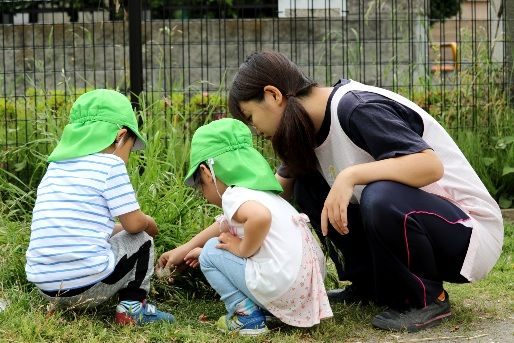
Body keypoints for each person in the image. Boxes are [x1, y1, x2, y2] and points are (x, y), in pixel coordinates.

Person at [226, 51, 504, 332]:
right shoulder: (305, 131)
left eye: (251, 116)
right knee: (307, 185)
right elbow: (271, 199)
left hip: (467, 233)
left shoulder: (356, 107)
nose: (255, 129)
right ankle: (367, 284)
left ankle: (427, 298)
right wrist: (208, 241)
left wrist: (351, 175)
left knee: (379, 195)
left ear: (273, 95)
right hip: (427, 230)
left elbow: (430, 166)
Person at [158, 118, 332, 336]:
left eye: (199, 185)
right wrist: (185, 249)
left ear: (205, 172)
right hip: (307, 288)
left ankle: (246, 316)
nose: (202, 194)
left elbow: (259, 218)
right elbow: (224, 225)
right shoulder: (259, 194)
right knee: (214, 248)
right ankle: (272, 310)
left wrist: (240, 249)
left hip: (284, 286)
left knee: (213, 249)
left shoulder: (234, 195)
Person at [25, 89, 175, 326]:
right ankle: (133, 307)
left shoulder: (55, 168)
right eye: (130, 148)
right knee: (143, 239)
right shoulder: (110, 165)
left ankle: (63, 302)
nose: (127, 157)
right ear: (120, 136)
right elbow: (134, 225)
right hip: (86, 289)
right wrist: (149, 222)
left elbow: (85, 225)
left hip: (45, 287)